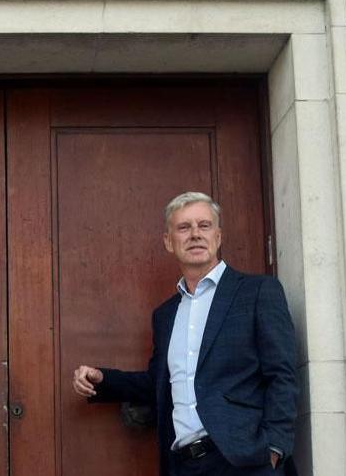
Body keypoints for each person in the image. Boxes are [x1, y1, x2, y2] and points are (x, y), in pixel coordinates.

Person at [72, 192, 297, 475]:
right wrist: (103, 380)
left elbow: (282, 375)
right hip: (183, 464)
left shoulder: (257, 292)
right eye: (184, 227)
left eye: (204, 225)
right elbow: (158, 383)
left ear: (218, 236)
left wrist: (274, 448)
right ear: (169, 241)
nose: (195, 234)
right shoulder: (165, 315)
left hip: (246, 462)